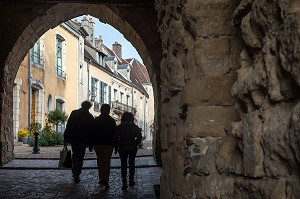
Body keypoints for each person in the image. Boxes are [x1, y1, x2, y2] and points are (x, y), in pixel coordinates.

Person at [64, 100, 94, 183]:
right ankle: (77, 173)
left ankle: (74, 172)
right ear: (89, 107)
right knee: (80, 156)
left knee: (75, 155)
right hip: (84, 140)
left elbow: (69, 125)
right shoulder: (90, 116)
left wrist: (66, 137)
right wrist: (91, 144)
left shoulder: (74, 113)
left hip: (74, 138)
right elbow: (92, 131)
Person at [115, 112, 142, 191]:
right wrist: (135, 143)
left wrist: (117, 146)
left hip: (122, 147)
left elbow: (116, 138)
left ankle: (124, 182)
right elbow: (139, 138)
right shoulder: (135, 127)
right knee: (131, 164)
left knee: (123, 165)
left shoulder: (119, 127)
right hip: (132, 147)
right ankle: (131, 180)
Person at [91, 104, 116, 190]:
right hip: (108, 144)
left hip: (98, 144)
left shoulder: (96, 120)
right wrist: (116, 146)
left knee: (100, 161)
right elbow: (114, 134)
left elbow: (92, 133)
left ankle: (102, 177)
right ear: (109, 110)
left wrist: (91, 144)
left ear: (101, 110)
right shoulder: (112, 121)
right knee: (106, 162)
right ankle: (105, 178)